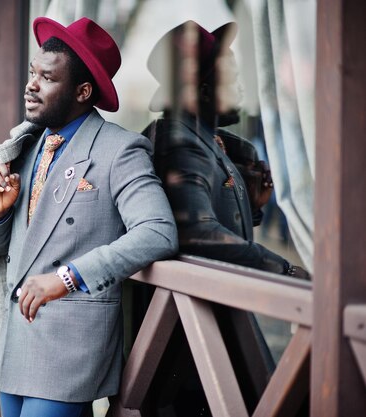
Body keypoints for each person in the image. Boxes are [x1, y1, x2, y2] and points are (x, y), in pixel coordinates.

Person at [0, 17, 178, 417]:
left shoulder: (120, 150)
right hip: (17, 340)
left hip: (71, 345)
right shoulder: (28, 147)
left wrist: (68, 276)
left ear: (83, 91)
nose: (31, 85)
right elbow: (22, 250)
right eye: (32, 73)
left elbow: (158, 232)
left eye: (47, 78)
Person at [139, 21, 310, 415]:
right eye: (231, 77)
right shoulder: (181, 144)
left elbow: (215, 222)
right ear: (201, 90)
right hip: (191, 339)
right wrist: (282, 269)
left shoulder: (203, 141)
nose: (241, 87)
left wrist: (251, 206)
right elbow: (196, 233)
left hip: (209, 325)